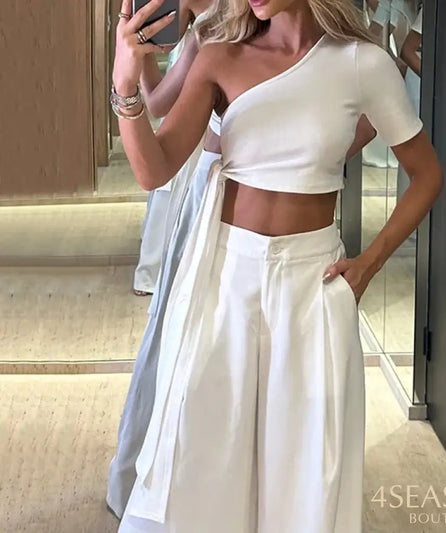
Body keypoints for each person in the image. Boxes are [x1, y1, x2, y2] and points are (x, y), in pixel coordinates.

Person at [111, 0, 443, 530]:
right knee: (203, 443)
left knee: (305, 460)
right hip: (225, 276)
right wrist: (125, 86)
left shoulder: (363, 63)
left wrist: (369, 264)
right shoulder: (219, 55)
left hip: (312, 282)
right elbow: (154, 170)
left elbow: (426, 175)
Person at [107, 8, 222, 518]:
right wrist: (143, 58)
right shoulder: (211, 31)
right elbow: (155, 103)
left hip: (222, 182)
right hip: (200, 171)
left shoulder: (218, 27)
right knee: (183, 329)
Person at [132, 0, 214, 296]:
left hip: (204, 114)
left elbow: (156, 102)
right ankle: (161, 271)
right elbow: (163, 43)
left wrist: (138, 51)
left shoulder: (207, 26)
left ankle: (161, 274)